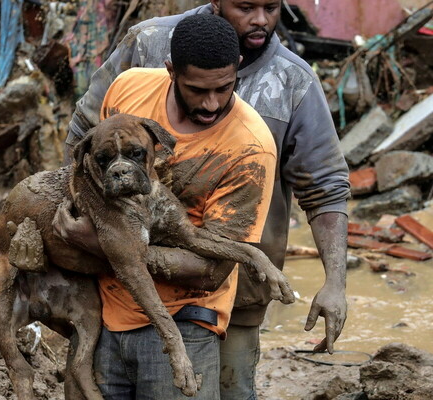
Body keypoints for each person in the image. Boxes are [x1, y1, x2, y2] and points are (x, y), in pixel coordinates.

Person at [61, 1, 351, 399]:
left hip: (214, 289)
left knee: (229, 386)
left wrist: (335, 281)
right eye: (247, 6)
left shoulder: (283, 95)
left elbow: (325, 185)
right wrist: (80, 223)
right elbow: (84, 140)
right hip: (113, 287)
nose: (261, 19)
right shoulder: (140, 61)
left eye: (271, 6)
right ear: (171, 70)